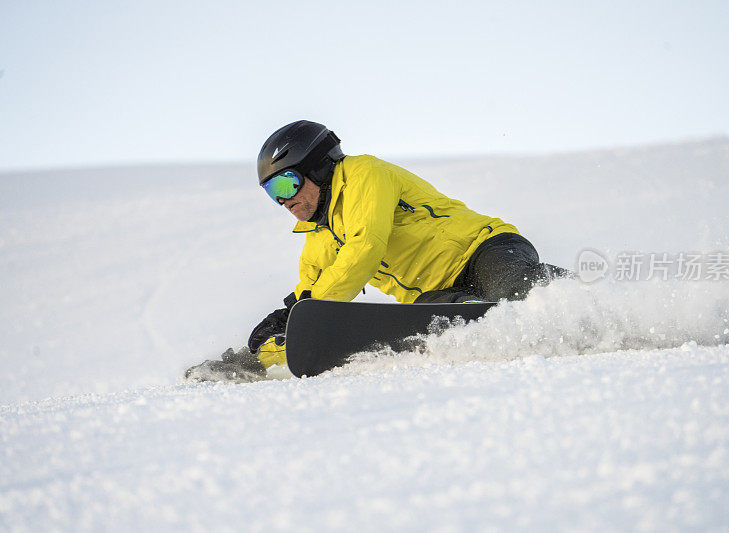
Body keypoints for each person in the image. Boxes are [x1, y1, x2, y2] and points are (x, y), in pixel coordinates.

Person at [185, 120, 570, 381]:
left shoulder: (365, 175)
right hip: (436, 294)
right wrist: (259, 353)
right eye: (272, 194)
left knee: (515, 290)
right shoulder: (317, 237)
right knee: (436, 325)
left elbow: (364, 249)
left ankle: (587, 299)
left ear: (316, 168)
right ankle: (477, 310)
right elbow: (312, 302)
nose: (282, 201)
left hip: (483, 250)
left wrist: (307, 310)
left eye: (285, 185)